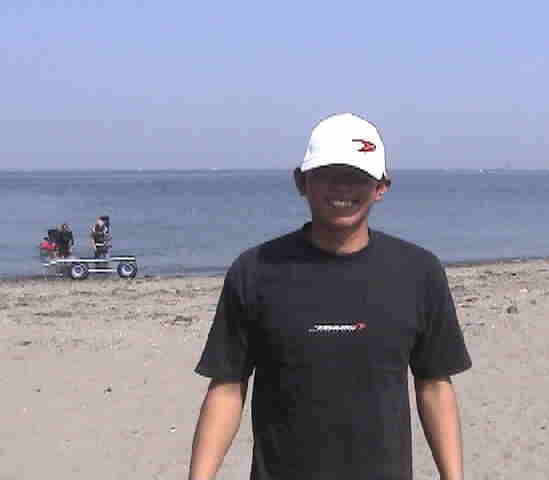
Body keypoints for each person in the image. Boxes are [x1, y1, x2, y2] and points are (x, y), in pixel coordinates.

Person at [189, 113, 472, 480]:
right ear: (301, 181)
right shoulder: (255, 270)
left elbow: (434, 386)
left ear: (381, 187)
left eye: (357, 177)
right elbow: (227, 387)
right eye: (328, 175)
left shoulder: (419, 272)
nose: (342, 188)